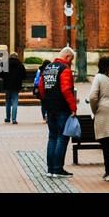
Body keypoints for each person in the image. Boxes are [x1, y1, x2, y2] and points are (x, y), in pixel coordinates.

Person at [38, 46, 77, 178]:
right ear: (67, 57)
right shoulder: (64, 69)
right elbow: (66, 90)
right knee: (62, 137)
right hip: (62, 108)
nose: (71, 63)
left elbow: (41, 88)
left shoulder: (47, 68)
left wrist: (47, 101)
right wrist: (73, 107)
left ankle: (50, 169)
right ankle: (58, 169)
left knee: (52, 137)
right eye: (71, 59)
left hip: (50, 108)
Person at [1, 48, 27, 124]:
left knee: (8, 102)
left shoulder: (5, 64)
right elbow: (24, 76)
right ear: (17, 57)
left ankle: (8, 118)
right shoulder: (20, 64)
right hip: (16, 86)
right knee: (15, 102)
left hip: (7, 85)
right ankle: (14, 119)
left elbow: (1, 75)